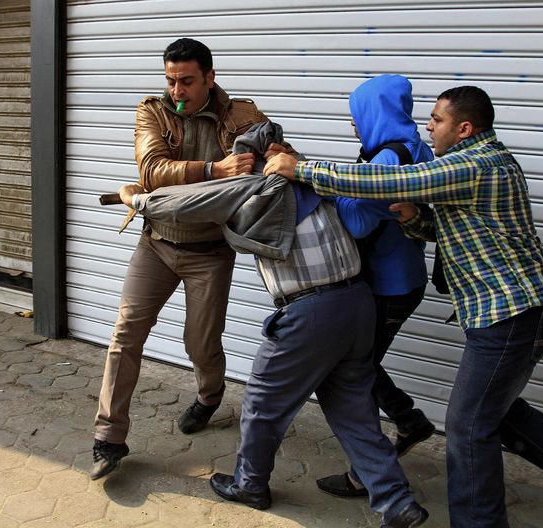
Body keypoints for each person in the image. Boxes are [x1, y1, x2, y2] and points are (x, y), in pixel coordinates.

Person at [263, 86, 543, 527]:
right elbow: (457, 229)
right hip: (519, 311)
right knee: (496, 411)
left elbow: (389, 180)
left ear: (464, 128)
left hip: (513, 312)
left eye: (437, 120)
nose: (427, 126)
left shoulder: (474, 163)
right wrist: (417, 219)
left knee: (469, 427)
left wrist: (303, 168)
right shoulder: (481, 164)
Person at [114, 125, 429, 526]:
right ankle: (396, 502)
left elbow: (180, 205)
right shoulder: (314, 176)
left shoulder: (250, 186)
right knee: (353, 411)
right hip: (357, 303)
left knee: (262, 402)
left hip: (311, 312)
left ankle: (250, 483)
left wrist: (135, 198)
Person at [91, 37, 296, 481]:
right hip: (157, 243)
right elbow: (151, 170)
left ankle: (209, 395)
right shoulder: (154, 111)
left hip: (211, 252)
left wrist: (278, 157)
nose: (177, 91)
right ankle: (108, 438)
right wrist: (215, 170)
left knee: (201, 344)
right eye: (170, 81)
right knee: (125, 335)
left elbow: (284, 157)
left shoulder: (241, 114)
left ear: (209, 77)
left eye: (186, 81)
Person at [316, 75, 436, 499]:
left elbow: (358, 219)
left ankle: (365, 473)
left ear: (375, 113)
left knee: (352, 373)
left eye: (357, 116)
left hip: (389, 285)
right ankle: (408, 420)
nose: (353, 125)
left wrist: (331, 192)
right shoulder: (413, 146)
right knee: (358, 364)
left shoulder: (388, 160)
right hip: (403, 281)